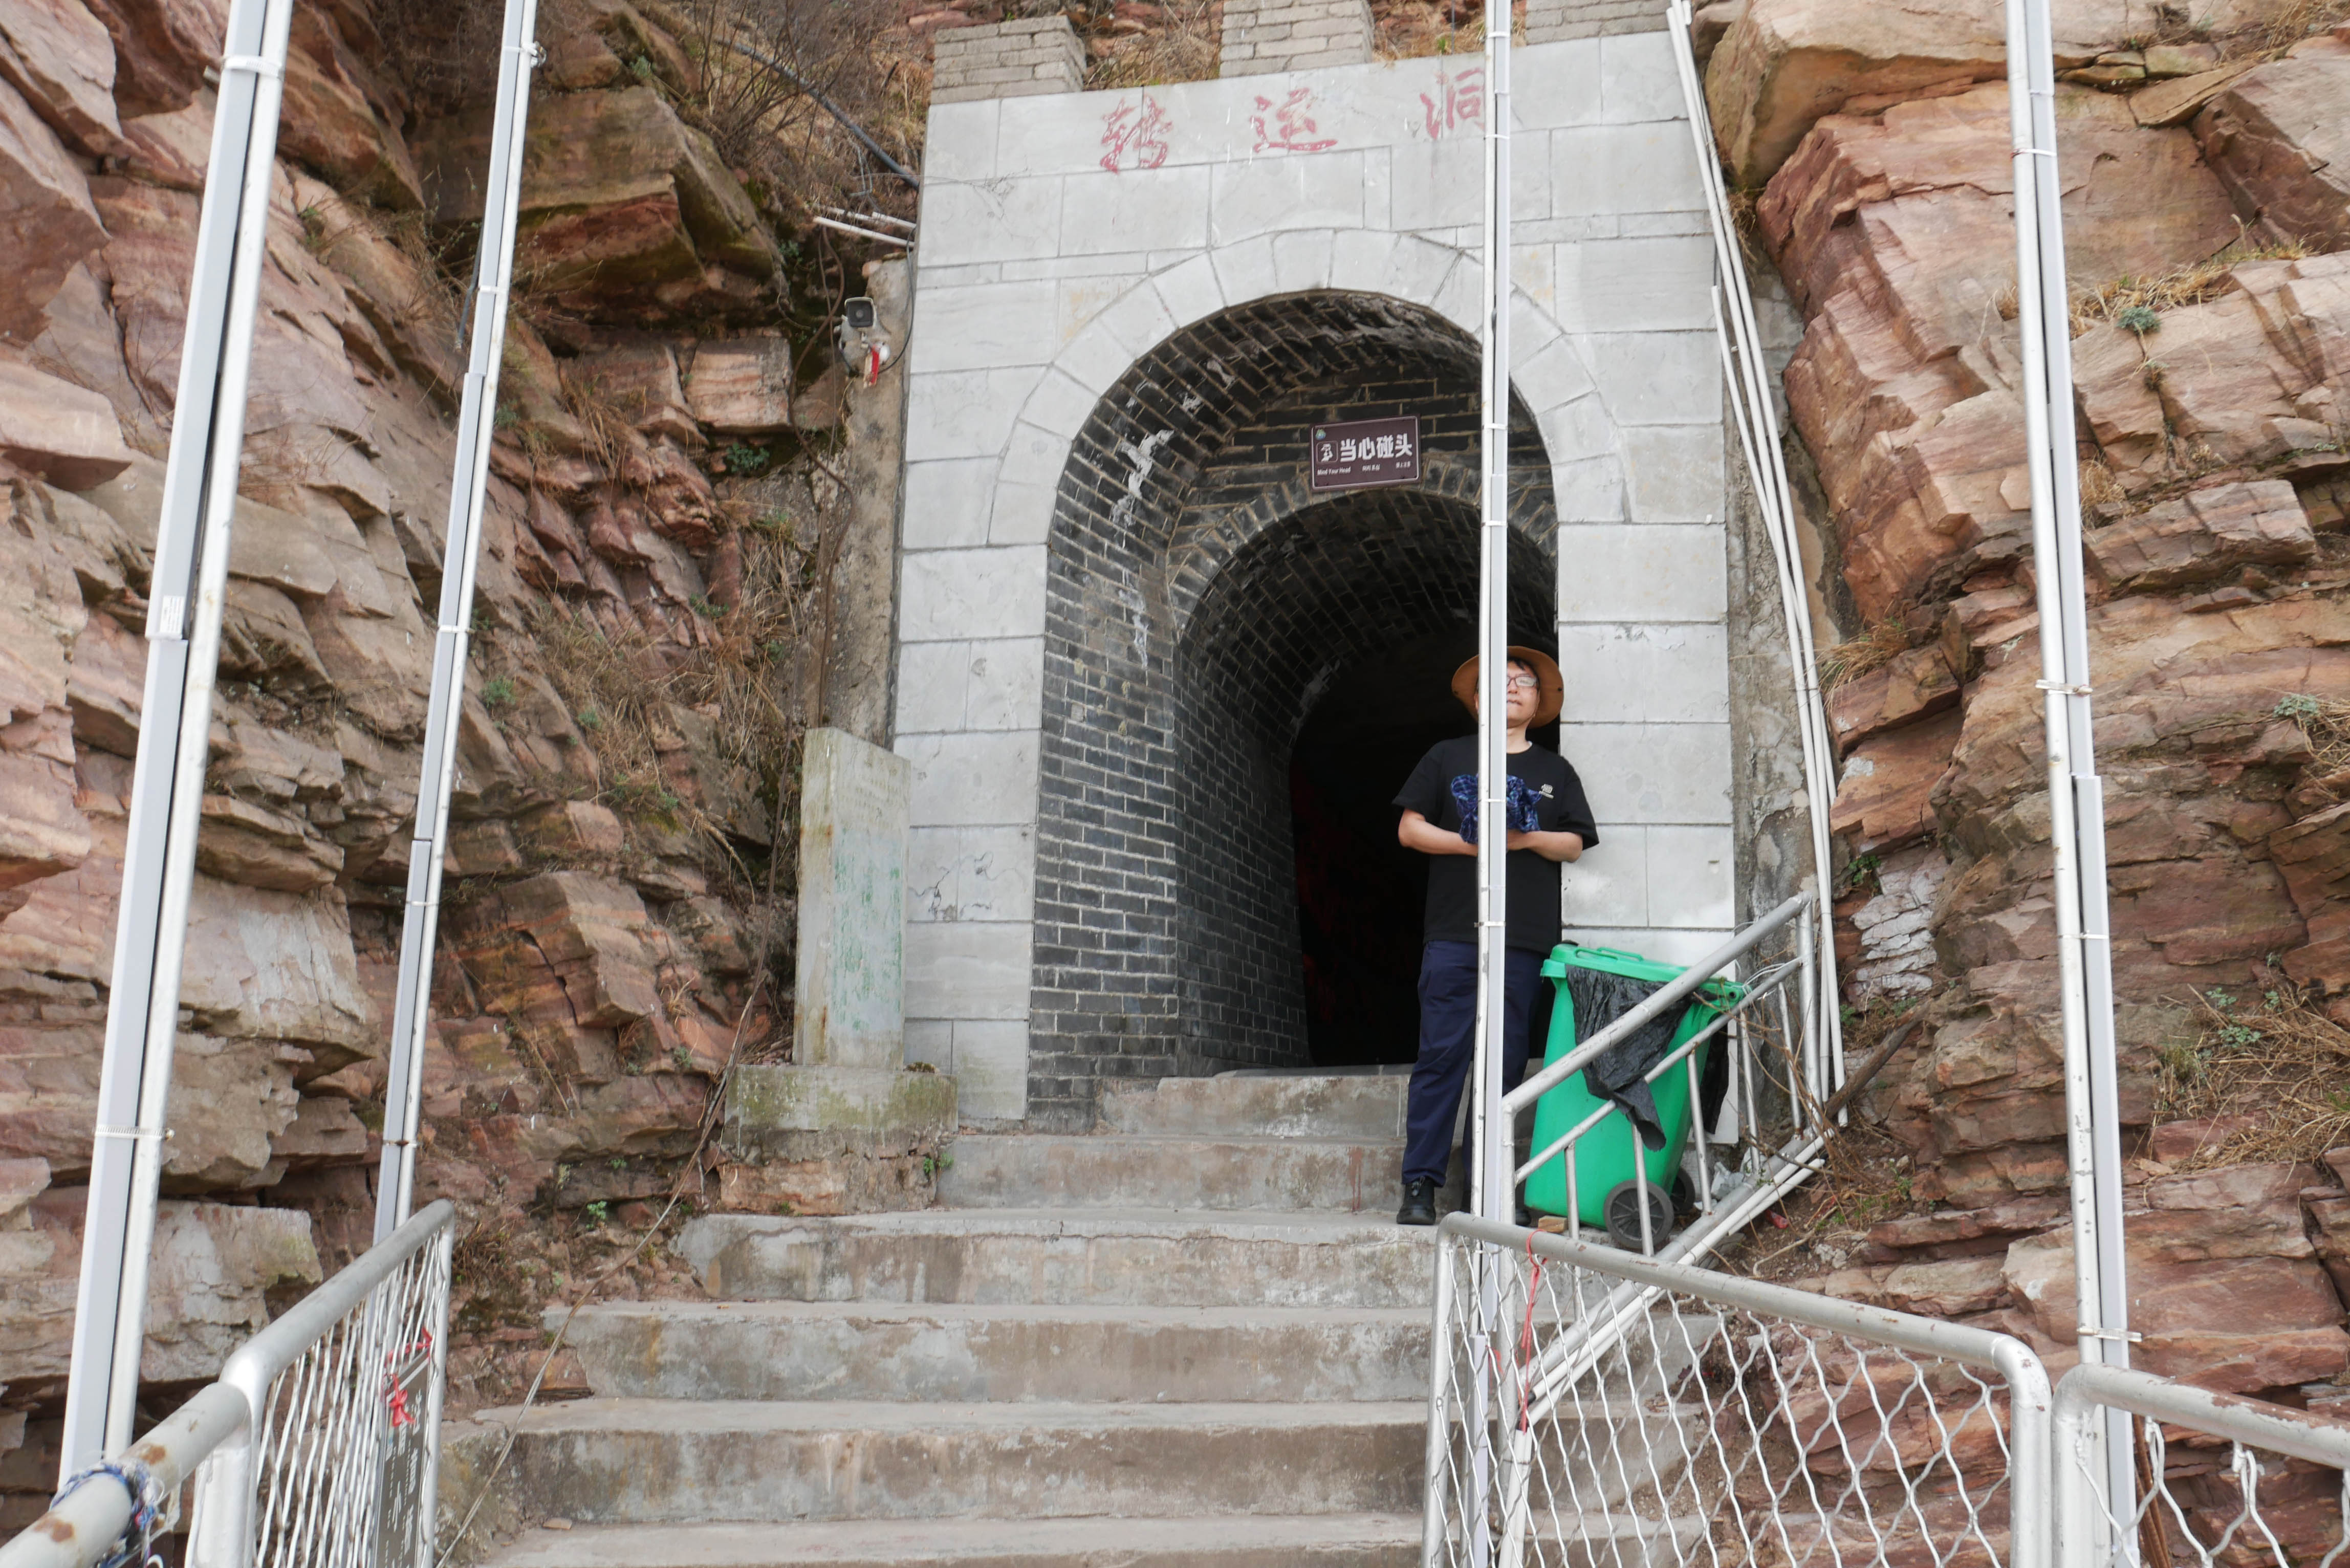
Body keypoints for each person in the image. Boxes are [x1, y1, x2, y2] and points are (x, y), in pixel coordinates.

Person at [1390, 647, 1596, 1227]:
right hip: (1454, 930)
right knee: (1441, 1056)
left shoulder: (1556, 771)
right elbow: (1409, 830)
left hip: (1524, 938)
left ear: (1538, 702)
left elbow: (1574, 844)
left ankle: (1483, 1190)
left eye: (1523, 681)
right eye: (1498, 681)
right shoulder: (1446, 756)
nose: (1511, 687)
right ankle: (1419, 1184)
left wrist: (1522, 839)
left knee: (1503, 1064)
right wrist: (1474, 843)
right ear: (1478, 701)